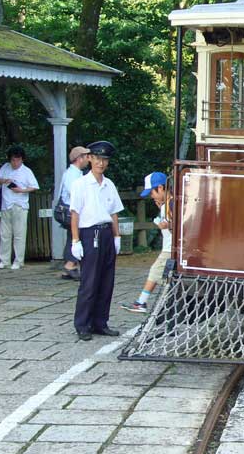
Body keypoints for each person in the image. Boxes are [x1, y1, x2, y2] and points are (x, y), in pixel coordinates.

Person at [69, 141, 124, 341]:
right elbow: (74, 213)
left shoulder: (109, 184)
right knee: (90, 281)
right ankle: (83, 324)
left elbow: (114, 213)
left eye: (105, 160)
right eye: (98, 158)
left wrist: (117, 236)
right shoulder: (80, 184)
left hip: (107, 232)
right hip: (89, 233)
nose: (101, 163)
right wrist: (75, 240)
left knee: (106, 280)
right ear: (90, 158)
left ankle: (100, 322)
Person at [121, 172, 171, 314]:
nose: (151, 196)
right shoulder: (166, 204)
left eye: (152, 192)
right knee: (163, 276)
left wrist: (167, 225)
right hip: (168, 247)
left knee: (155, 271)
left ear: (161, 188)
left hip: (169, 248)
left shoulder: (170, 204)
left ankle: (141, 302)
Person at [0, 146, 39, 270]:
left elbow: (34, 187)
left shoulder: (27, 171)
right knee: (4, 233)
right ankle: (4, 260)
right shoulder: (5, 167)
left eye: (18, 160)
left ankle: (18, 261)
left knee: (19, 234)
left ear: (22, 159)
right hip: (6, 204)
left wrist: (21, 190)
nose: (15, 162)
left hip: (20, 204)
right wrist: (4, 180)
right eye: (13, 160)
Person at [57, 146, 91, 280]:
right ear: (79, 159)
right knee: (78, 235)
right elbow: (75, 193)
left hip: (67, 210)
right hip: (70, 210)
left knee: (72, 236)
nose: (88, 159)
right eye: (86, 157)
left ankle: (68, 266)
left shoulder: (74, 173)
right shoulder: (73, 174)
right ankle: (70, 264)